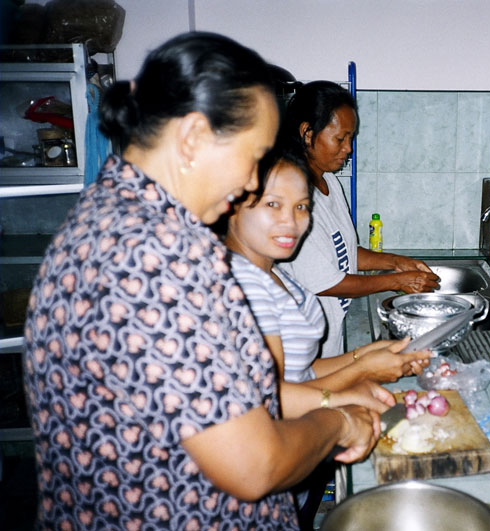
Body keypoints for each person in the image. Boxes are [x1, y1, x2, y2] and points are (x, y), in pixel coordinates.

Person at [22, 32, 381, 530]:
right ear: (192, 138)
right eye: (253, 157)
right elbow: (254, 466)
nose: (253, 183)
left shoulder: (113, 217)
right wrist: (339, 421)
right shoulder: (155, 258)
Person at [222, 143, 432, 528]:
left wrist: (365, 356)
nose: (291, 221)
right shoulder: (244, 286)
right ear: (234, 204)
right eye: (273, 205)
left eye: (301, 206)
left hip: (299, 456)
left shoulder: (271, 268)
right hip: (278, 460)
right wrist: (347, 392)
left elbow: (300, 368)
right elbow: (272, 399)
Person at [280, 81, 441, 358]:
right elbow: (326, 282)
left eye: (350, 139)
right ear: (307, 133)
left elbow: (343, 252)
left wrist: (395, 262)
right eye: (340, 139)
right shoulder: (293, 197)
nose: (348, 149)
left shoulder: (329, 181)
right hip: (307, 346)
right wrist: (397, 281)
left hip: (332, 333)